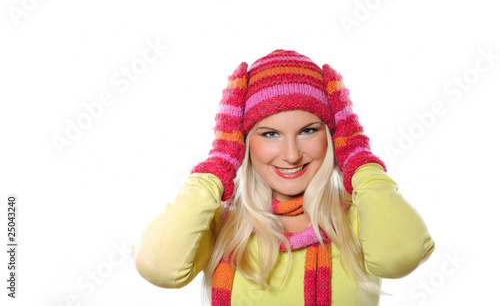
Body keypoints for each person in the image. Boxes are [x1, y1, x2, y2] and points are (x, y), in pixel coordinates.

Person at [132, 49, 435, 305]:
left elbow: (401, 255)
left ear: (332, 136)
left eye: (308, 131)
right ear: (244, 141)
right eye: (270, 134)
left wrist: (359, 157)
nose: (291, 155)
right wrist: (218, 163)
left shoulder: (357, 219)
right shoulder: (219, 226)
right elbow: (157, 266)